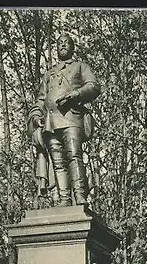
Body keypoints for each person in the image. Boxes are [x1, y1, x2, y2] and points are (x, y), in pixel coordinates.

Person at [28, 33, 100, 206]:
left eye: (66, 43)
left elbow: (93, 86)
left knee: (74, 155)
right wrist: (37, 115)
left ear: (72, 47)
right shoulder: (49, 74)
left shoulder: (80, 66)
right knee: (57, 161)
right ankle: (64, 199)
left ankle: (80, 195)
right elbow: (40, 99)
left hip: (71, 118)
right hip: (51, 122)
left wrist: (76, 94)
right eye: (59, 43)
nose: (62, 45)